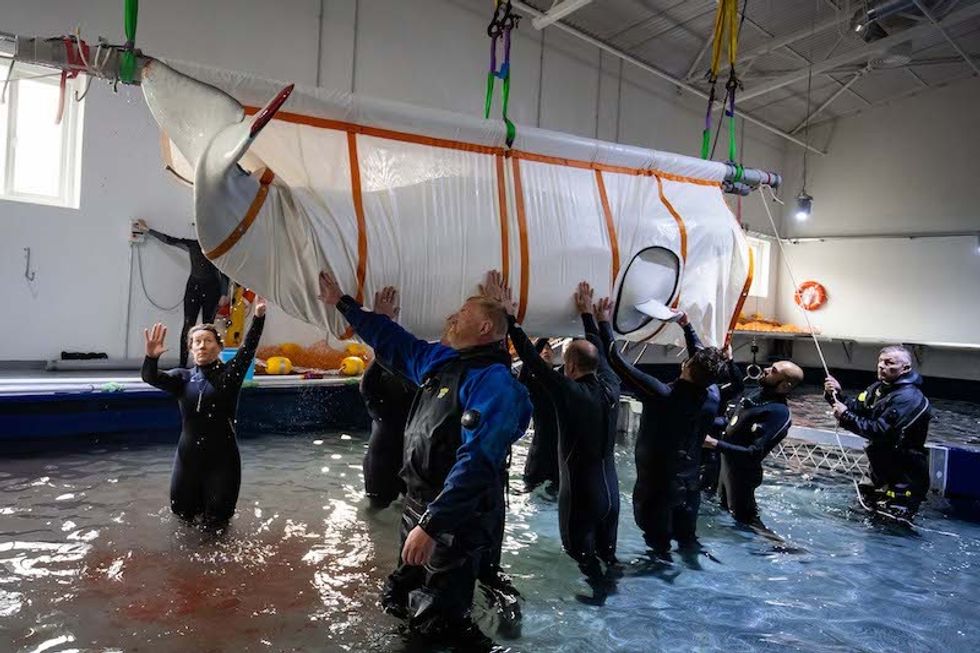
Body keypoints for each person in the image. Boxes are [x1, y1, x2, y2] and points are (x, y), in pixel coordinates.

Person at [316, 270, 531, 647]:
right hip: (419, 506)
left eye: (461, 313)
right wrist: (343, 303)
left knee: (438, 622)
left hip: (454, 518)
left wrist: (432, 526)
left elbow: (477, 460)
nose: (451, 317)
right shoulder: (441, 362)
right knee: (401, 597)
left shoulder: (495, 384)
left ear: (483, 327)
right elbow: (394, 341)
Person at [489, 274, 620, 584]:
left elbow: (532, 361)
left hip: (580, 498)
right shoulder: (613, 386)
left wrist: (510, 316)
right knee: (609, 561)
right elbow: (600, 353)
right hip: (611, 497)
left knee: (583, 562)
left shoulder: (568, 391)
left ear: (570, 368)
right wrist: (592, 316)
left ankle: (596, 610)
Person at [597, 308, 726, 557]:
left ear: (686, 365)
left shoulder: (662, 395)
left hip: (657, 492)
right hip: (690, 488)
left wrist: (601, 320)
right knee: (688, 543)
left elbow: (616, 360)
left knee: (659, 551)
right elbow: (701, 362)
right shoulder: (712, 395)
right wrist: (687, 327)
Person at [141, 297, 266, 526]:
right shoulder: (182, 378)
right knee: (181, 518)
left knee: (217, 525)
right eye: (196, 342)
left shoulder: (230, 375)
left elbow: (248, 349)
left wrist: (258, 317)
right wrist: (151, 357)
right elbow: (150, 377)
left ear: (219, 347)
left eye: (208, 341)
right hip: (187, 462)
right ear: (190, 349)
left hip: (223, 463)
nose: (201, 346)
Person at [825, 345, 932, 516]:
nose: (882, 366)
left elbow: (881, 432)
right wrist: (836, 395)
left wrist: (845, 416)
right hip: (879, 471)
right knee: (862, 515)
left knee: (893, 529)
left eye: (889, 363)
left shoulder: (908, 398)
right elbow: (857, 408)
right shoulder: (878, 389)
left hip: (903, 479)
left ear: (906, 368)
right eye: (880, 361)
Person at [704, 360, 803, 529]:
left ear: (785, 386)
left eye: (773, 370)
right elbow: (732, 422)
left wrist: (715, 444)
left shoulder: (778, 412)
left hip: (743, 475)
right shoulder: (757, 395)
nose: (765, 370)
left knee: (747, 522)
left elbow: (754, 452)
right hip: (726, 467)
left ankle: (779, 549)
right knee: (723, 508)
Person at [136, 220, 229, 367]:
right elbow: (169, 240)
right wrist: (147, 230)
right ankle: (182, 364)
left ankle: (209, 363)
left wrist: (224, 293)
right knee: (188, 325)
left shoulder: (217, 248)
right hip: (194, 287)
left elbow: (225, 272)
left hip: (212, 288)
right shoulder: (192, 245)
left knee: (208, 326)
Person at [359, 286, 415, 510]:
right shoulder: (378, 400)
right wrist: (383, 323)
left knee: (383, 515)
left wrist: (384, 322)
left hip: (405, 462)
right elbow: (379, 363)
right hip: (384, 464)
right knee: (379, 511)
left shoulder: (417, 385)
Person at [519, 337, 561, 493]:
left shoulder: (563, 380)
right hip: (540, 449)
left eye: (549, 348)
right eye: (542, 349)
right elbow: (523, 375)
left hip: (560, 452)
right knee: (530, 488)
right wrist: (543, 337)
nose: (546, 351)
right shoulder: (531, 383)